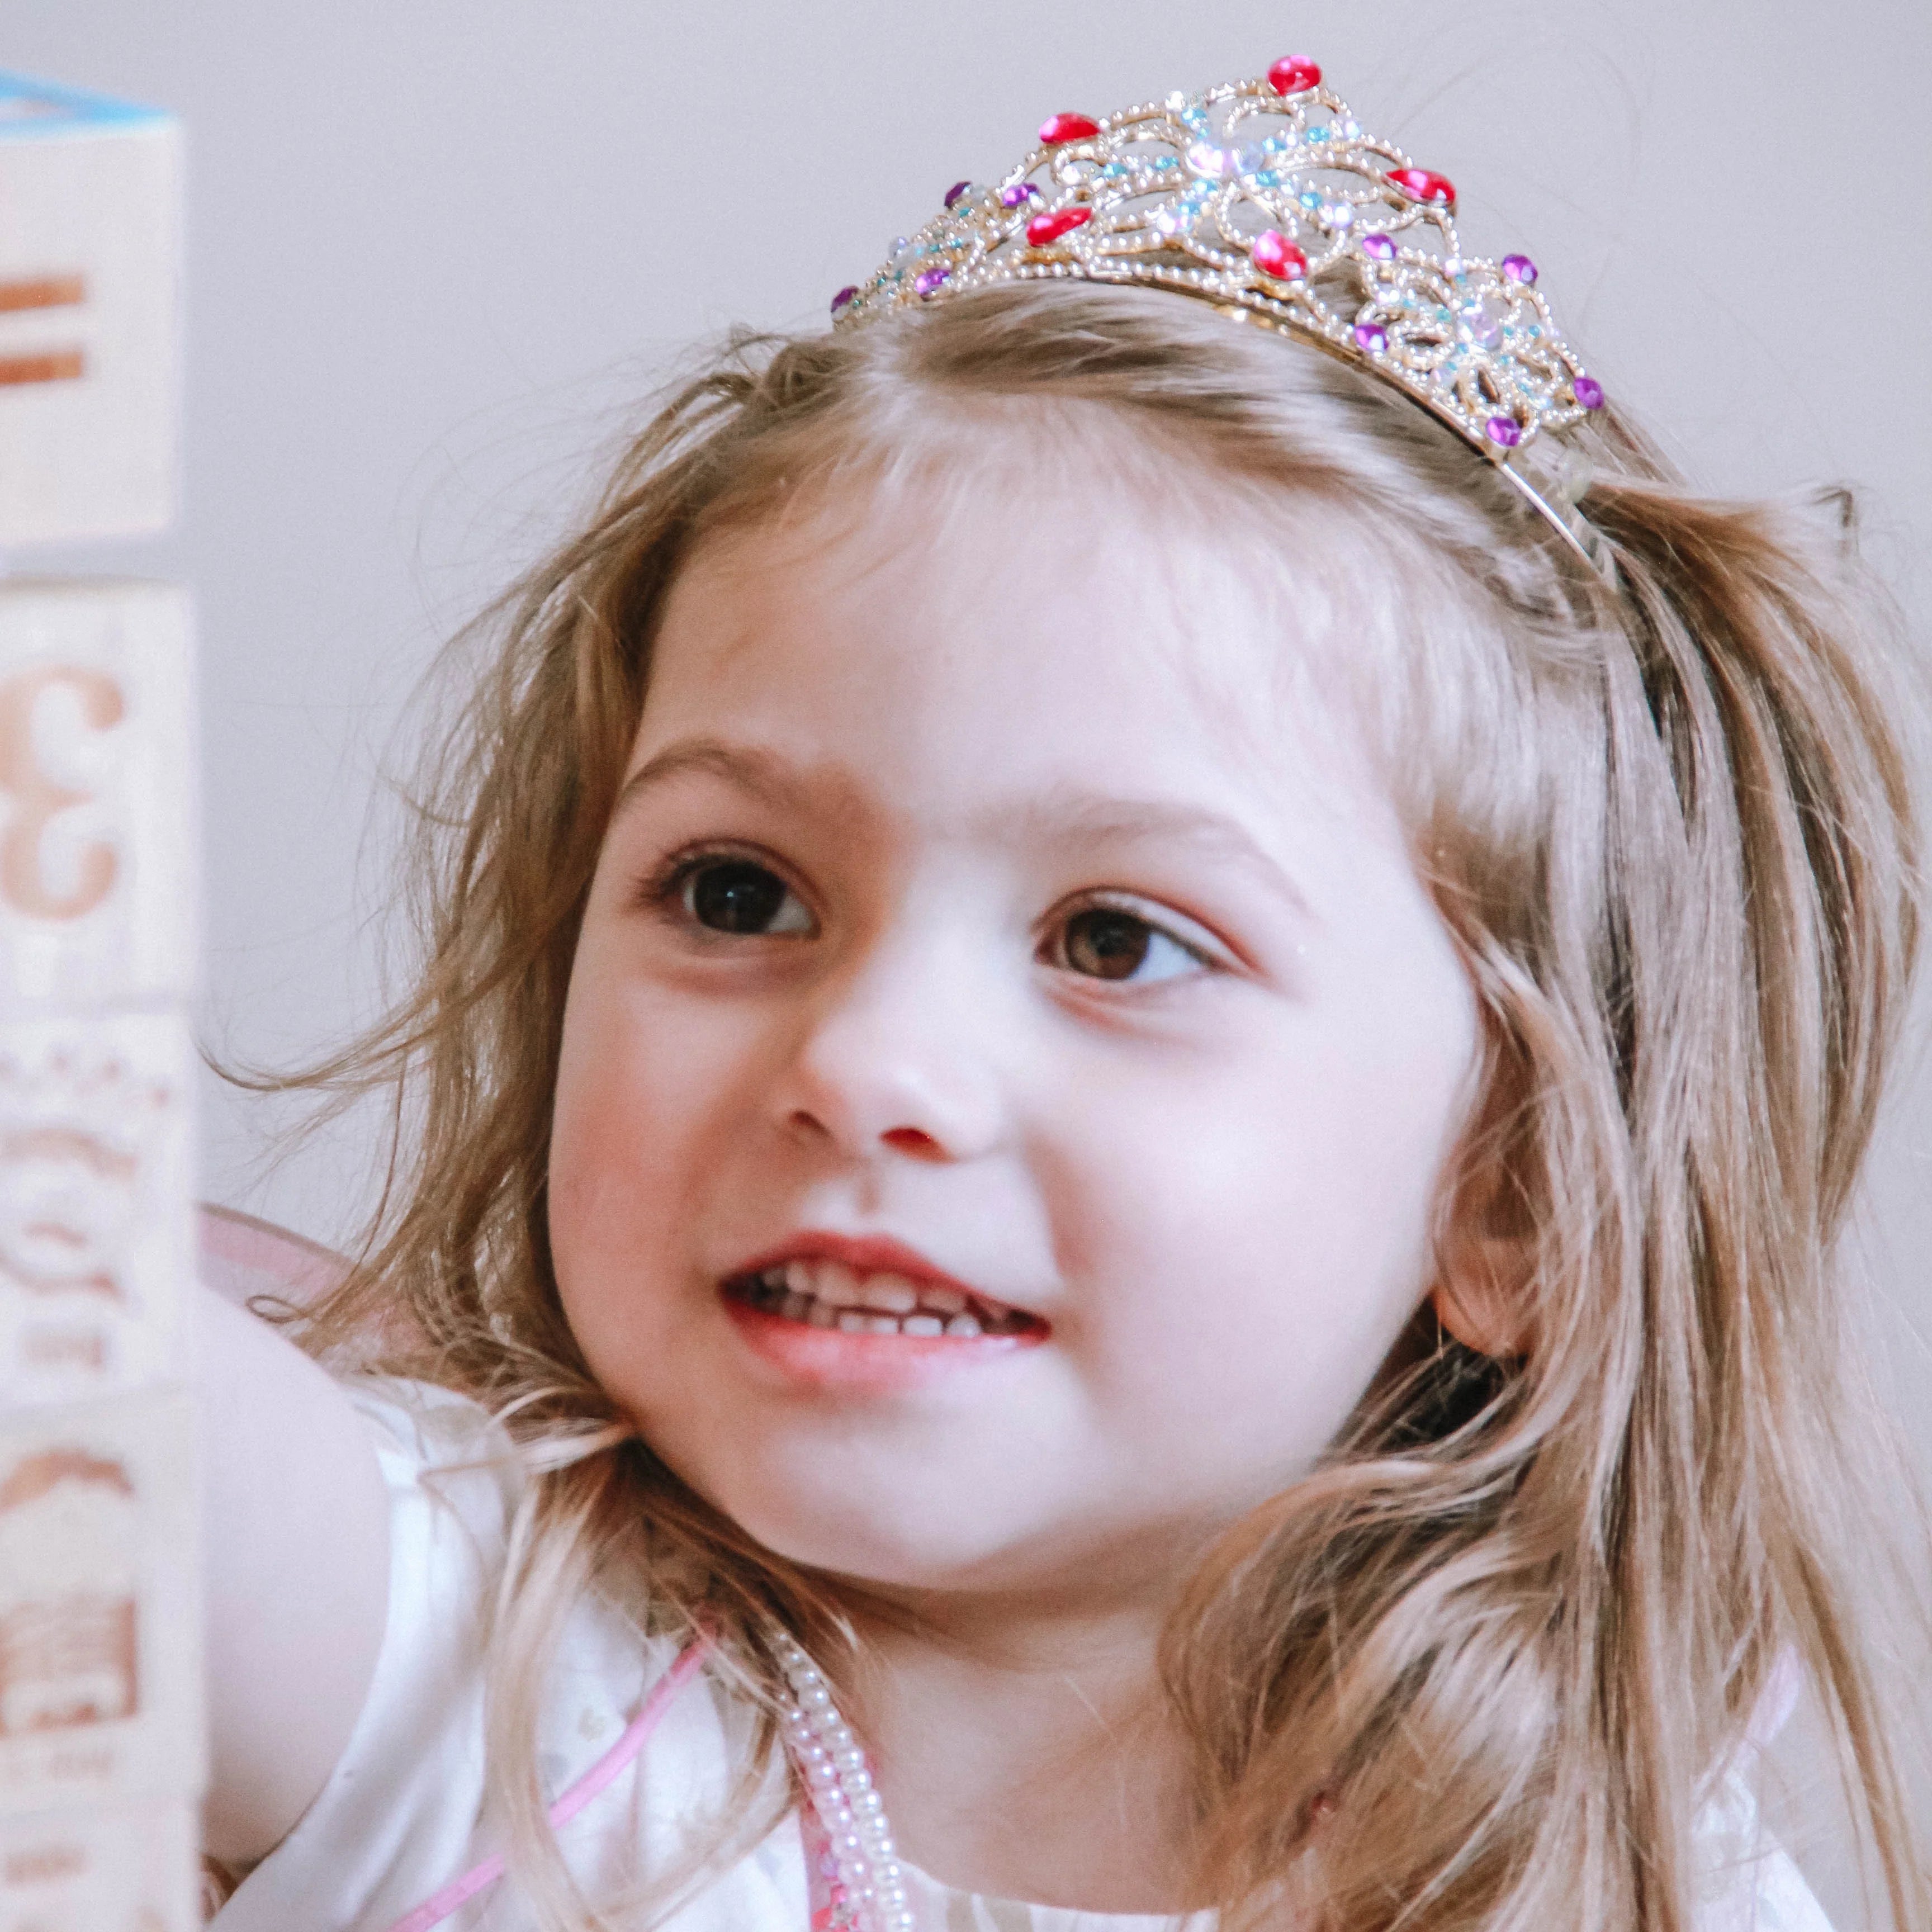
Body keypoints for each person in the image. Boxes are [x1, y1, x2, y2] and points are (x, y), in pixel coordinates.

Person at [195, 59, 1931, 1932]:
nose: (866, 1063)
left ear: (1508, 1186)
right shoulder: (453, 1656)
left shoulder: (1616, 1877)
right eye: (738, 893)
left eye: (1117, 942)